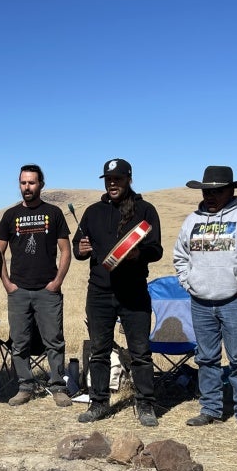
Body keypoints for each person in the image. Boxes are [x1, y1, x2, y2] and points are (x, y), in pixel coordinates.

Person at [173, 166, 237, 436]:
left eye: (217, 190)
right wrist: (189, 283)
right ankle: (210, 409)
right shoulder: (191, 220)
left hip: (235, 301)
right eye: (207, 190)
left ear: (231, 190)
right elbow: (180, 256)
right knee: (206, 358)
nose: (211, 195)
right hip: (200, 301)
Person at [73, 159, 162, 427]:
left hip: (134, 292)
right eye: (108, 180)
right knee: (99, 351)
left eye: (118, 179)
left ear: (129, 179)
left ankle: (145, 404)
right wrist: (81, 249)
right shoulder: (92, 212)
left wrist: (138, 254)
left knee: (140, 352)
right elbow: (79, 246)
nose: (112, 184)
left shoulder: (145, 210)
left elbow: (156, 249)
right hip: (99, 293)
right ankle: (98, 403)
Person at [0, 164, 72, 407]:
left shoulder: (54, 212)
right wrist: (7, 284)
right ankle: (25, 386)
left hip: (47, 290)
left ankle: (58, 386)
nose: (26, 187)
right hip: (19, 290)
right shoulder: (10, 215)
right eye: (23, 183)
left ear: (41, 184)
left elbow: (65, 250)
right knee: (19, 342)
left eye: (31, 183)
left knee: (54, 340)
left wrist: (57, 282)